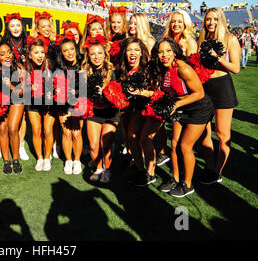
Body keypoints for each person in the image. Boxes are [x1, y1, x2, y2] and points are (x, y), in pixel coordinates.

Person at [146, 38, 214, 197]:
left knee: (185, 146)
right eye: (161, 51)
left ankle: (187, 184)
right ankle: (175, 179)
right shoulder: (162, 68)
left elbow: (199, 94)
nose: (164, 54)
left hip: (199, 108)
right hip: (181, 106)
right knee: (175, 144)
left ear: (175, 51)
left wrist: (175, 105)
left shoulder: (183, 68)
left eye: (168, 50)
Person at [197, 8, 241, 185]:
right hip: (204, 88)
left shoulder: (230, 39)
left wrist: (219, 58)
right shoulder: (202, 40)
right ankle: (209, 167)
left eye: (215, 19)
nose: (211, 22)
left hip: (222, 87)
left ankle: (218, 171)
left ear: (221, 20)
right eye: (208, 19)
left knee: (222, 133)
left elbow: (236, 68)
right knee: (203, 131)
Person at [81, 35, 119, 183]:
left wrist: (107, 90)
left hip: (110, 112)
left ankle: (107, 170)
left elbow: (118, 96)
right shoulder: (85, 73)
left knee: (106, 144)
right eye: (92, 54)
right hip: (94, 112)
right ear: (88, 56)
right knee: (93, 145)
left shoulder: (112, 72)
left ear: (105, 54)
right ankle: (98, 168)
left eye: (99, 53)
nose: (96, 57)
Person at [0, 42, 26, 175]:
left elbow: (22, 92)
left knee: (13, 128)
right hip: (1, 100)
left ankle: (15, 160)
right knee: (2, 129)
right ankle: (7, 161)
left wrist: (11, 87)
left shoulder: (18, 67)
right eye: (3, 54)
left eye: (9, 52)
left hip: (16, 98)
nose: (8, 56)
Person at [117, 37, 151, 176]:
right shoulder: (122, 69)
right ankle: (139, 168)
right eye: (129, 50)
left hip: (147, 109)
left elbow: (156, 92)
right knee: (131, 136)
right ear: (125, 53)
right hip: (130, 108)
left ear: (141, 53)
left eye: (136, 50)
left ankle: (148, 171)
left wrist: (141, 92)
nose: (133, 53)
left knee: (141, 138)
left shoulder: (147, 69)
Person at [53, 35, 84, 174]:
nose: (69, 53)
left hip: (80, 101)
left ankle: (77, 160)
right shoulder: (58, 67)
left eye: (72, 49)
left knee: (76, 133)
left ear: (76, 49)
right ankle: (68, 160)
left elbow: (86, 87)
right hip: (63, 103)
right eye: (65, 51)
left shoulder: (83, 64)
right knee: (66, 132)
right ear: (61, 53)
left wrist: (74, 92)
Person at [1, 13, 29, 160]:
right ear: (8, 28)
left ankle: (21, 145)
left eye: (18, 25)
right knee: (5, 114)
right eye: (12, 26)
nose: (15, 28)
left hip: (23, 81)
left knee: (22, 116)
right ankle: (0, 143)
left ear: (22, 26)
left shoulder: (27, 41)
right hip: (7, 81)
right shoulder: (4, 41)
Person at [25, 37, 54, 171]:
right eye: (36, 53)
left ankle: (47, 158)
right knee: (36, 130)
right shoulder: (25, 67)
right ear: (30, 55)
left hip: (49, 101)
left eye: (42, 52)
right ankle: (40, 158)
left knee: (47, 130)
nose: (39, 55)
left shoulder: (50, 65)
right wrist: (30, 88)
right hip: (32, 101)